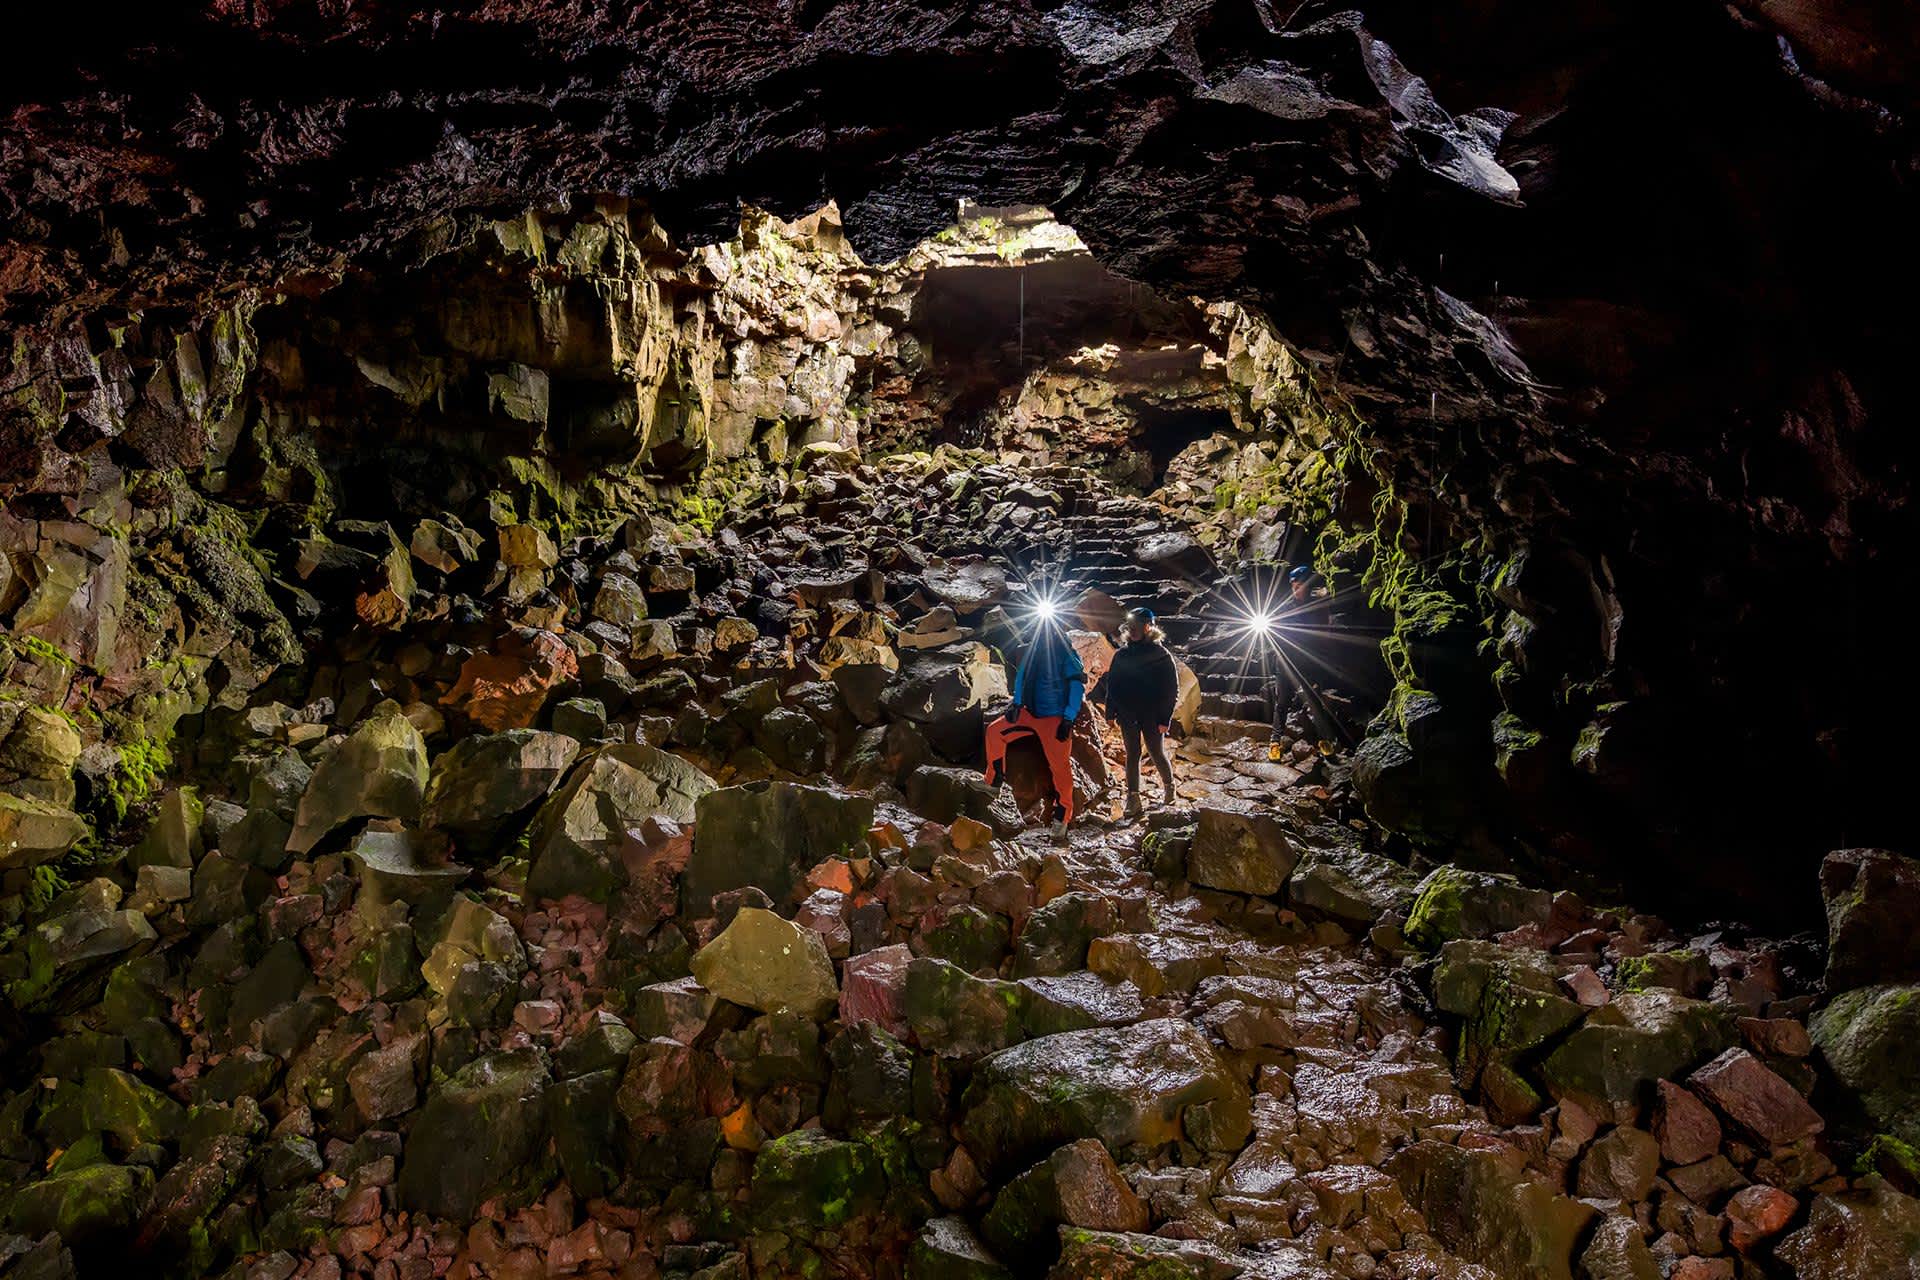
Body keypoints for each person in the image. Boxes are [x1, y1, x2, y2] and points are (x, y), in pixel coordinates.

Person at [984, 622, 1086, 843]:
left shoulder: (1066, 652)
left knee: (1060, 768)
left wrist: (1068, 718)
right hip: (1030, 712)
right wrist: (1016, 704)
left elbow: (1078, 684)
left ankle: (1062, 817)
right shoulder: (1033, 649)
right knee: (995, 731)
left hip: (1055, 717)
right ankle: (993, 781)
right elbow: (1022, 676)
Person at [1098, 607, 1180, 818]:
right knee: (1132, 754)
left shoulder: (1161, 655)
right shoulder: (1122, 654)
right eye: (1131, 626)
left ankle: (1170, 789)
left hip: (1152, 715)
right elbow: (1113, 684)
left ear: (1147, 627)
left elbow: (1171, 689)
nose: (1133, 630)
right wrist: (1110, 712)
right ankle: (1133, 799)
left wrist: (1165, 719)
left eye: (1137, 626)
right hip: (1128, 714)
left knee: (1156, 752)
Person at [1267, 564, 1329, 761]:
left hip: (1307, 662)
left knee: (1314, 702)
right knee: (1282, 703)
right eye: (1294, 585)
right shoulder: (1284, 607)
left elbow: (1322, 632)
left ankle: (1323, 740)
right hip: (1285, 663)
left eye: (1299, 585)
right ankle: (1275, 742)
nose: (1296, 589)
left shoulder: (1316, 605)